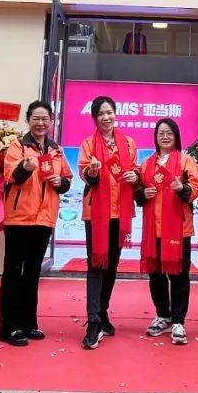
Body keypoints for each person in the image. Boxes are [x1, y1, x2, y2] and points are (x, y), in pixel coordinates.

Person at [0, 100, 72, 345]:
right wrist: (25, 167)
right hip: (19, 218)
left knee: (32, 272)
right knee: (13, 272)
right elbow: (11, 176)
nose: (40, 123)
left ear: (51, 121)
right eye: (36, 118)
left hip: (44, 219)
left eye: (44, 119)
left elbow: (67, 179)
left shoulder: (56, 150)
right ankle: (9, 327)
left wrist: (60, 182)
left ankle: (29, 323)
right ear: (28, 120)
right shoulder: (17, 146)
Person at [77, 96, 139, 349]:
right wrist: (92, 172)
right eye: (101, 114)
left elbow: (135, 171)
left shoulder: (129, 143)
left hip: (120, 213)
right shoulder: (88, 143)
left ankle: (102, 311)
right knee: (96, 264)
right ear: (94, 118)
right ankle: (93, 320)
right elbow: (84, 174)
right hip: (96, 213)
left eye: (109, 112)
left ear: (115, 114)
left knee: (111, 265)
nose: (106, 117)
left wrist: (135, 176)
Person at [136, 118, 198, 345]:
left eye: (169, 133)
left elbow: (195, 188)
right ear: (156, 137)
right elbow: (138, 190)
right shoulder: (147, 163)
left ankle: (178, 321)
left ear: (176, 136)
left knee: (179, 275)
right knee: (155, 273)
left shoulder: (185, 160)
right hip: (153, 227)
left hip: (178, 228)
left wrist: (182, 188)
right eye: (161, 133)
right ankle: (162, 315)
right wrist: (143, 195)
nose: (164, 137)